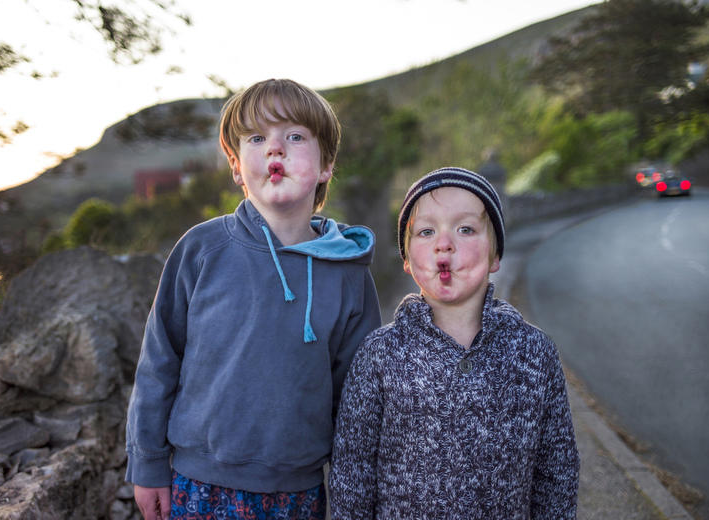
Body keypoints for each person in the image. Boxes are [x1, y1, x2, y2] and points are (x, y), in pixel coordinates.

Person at [125, 79, 382, 520]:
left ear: (326, 166)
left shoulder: (348, 272)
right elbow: (158, 363)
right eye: (257, 138)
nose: (275, 148)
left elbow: (357, 399)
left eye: (295, 136)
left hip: (298, 493)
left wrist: (353, 494)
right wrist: (147, 464)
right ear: (236, 166)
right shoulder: (201, 250)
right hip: (197, 484)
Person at [329, 167, 580, 519]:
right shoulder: (379, 355)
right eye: (426, 231)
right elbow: (352, 472)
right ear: (406, 259)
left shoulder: (534, 354)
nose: (444, 243)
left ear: (495, 256)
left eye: (465, 229)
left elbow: (557, 472)